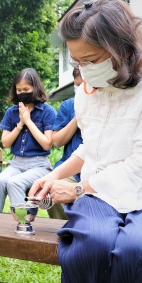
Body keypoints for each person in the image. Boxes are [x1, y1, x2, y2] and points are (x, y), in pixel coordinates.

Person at [29, 0, 142, 283]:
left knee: (138, 252)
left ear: (123, 48)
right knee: (91, 248)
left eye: (92, 59)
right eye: (77, 61)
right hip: (100, 192)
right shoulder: (86, 89)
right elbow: (93, 147)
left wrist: (78, 190)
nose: (84, 70)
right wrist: (55, 174)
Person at [0, 68, 56, 213]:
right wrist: (20, 124)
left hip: (39, 164)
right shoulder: (11, 112)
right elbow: (6, 143)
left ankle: (23, 223)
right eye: (18, 90)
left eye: (26, 89)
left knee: (15, 183)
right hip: (16, 163)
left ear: (35, 88)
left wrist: (28, 121)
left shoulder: (47, 111)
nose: (22, 93)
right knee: (0, 181)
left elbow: (47, 143)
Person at [46, 68, 84, 220]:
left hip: (96, 171)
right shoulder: (68, 106)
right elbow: (57, 141)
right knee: (51, 187)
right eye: (77, 85)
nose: (81, 89)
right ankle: (61, 228)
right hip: (70, 171)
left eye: (84, 84)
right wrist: (77, 118)